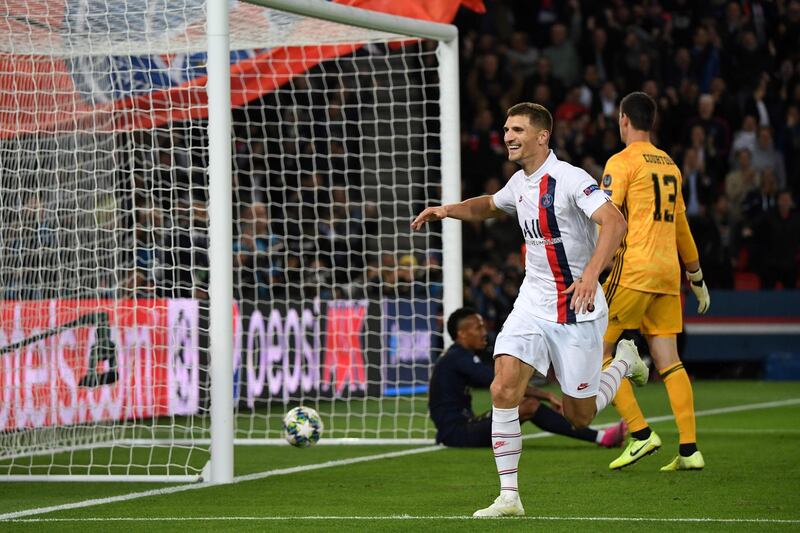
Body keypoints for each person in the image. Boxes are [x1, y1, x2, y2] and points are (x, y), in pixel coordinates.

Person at [412, 102, 647, 517]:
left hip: (578, 307)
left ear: (542, 136)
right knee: (503, 387)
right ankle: (509, 496)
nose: (507, 136)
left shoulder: (572, 179)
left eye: (517, 129)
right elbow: (487, 205)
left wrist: (592, 274)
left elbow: (615, 223)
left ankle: (624, 361)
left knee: (580, 415)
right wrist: (447, 210)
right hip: (532, 304)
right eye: (505, 129)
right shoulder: (519, 184)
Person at [599, 92, 711, 472]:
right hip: (668, 274)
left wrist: (591, 268)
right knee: (670, 361)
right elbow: (681, 227)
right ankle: (689, 449)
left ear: (624, 119)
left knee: (594, 350)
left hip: (633, 270)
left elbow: (608, 218)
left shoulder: (622, 161)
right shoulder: (670, 165)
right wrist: (695, 276)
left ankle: (641, 434)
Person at [429, 307, 627, 449]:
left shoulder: (456, 357)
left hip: (462, 426)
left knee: (521, 405)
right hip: (456, 433)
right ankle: (602, 437)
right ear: (461, 334)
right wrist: (547, 396)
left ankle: (601, 436)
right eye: (478, 328)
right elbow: (502, 382)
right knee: (529, 406)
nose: (484, 333)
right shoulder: (457, 358)